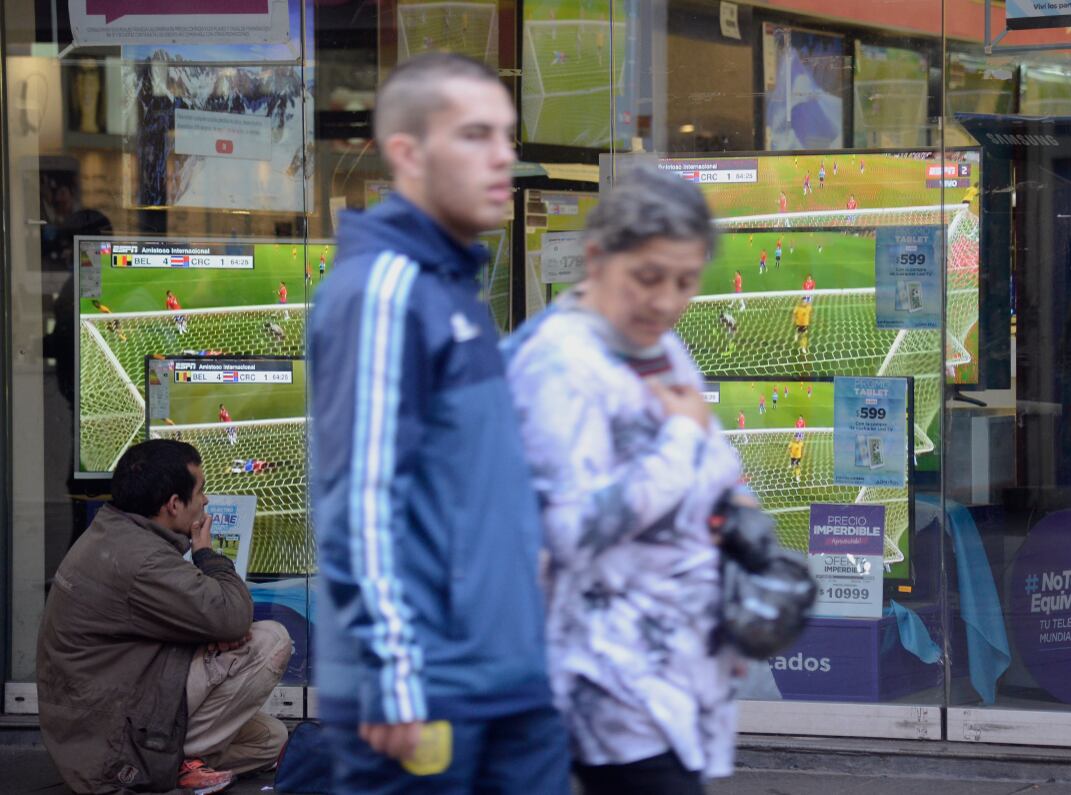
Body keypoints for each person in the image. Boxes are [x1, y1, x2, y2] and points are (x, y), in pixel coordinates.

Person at [308, 54, 568, 794]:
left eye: (508, 135)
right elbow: (358, 500)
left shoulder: (451, 284)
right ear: (407, 153)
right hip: (428, 692)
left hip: (510, 678)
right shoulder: (384, 292)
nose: (503, 156)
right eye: (476, 135)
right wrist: (392, 675)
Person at [505, 167, 744, 795]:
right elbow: (574, 530)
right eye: (647, 277)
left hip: (671, 675)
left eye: (685, 281)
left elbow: (712, 471)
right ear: (596, 258)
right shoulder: (558, 366)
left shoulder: (652, 343)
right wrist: (683, 440)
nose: (667, 300)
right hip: (603, 686)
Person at [37, 439, 292, 795]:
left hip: (106, 710)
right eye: (201, 491)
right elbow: (234, 617)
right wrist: (206, 553)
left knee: (269, 739)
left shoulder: (115, 532)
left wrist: (213, 630)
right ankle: (165, 765)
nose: (205, 500)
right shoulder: (143, 561)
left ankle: (180, 764)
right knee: (271, 641)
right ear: (173, 505)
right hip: (110, 743)